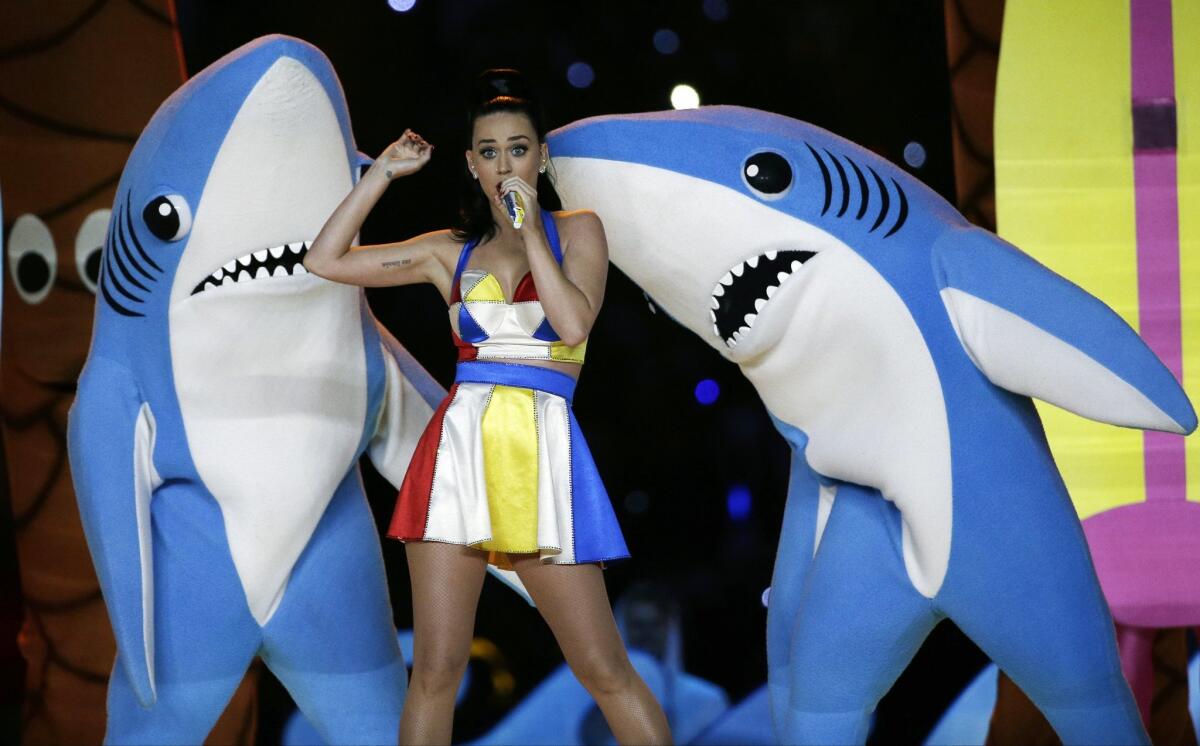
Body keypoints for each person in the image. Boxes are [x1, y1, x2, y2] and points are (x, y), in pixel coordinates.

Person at [303, 69, 672, 746]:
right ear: (472, 163)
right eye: (490, 150)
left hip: (541, 459)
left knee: (603, 667)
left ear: (542, 157)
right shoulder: (449, 251)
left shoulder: (579, 231)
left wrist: (531, 231)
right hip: (457, 462)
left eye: (519, 147)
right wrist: (381, 173)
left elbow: (572, 324)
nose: (506, 163)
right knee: (435, 674)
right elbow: (325, 260)